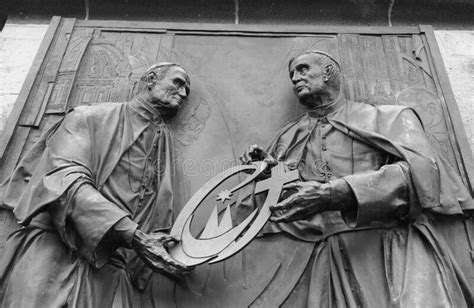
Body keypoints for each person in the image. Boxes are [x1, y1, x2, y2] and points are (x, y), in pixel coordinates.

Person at [240, 51, 474, 307]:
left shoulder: (388, 118)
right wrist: (267, 175)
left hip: (394, 250)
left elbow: (425, 176)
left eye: (303, 69)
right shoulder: (288, 138)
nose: (296, 78)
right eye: (292, 74)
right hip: (331, 259)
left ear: (328, 72)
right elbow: (283, 207)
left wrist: (336, 193)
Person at [0, 62, 193, 307]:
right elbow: (63, 179)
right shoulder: (88, 117)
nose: (184, 93)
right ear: (151, 79)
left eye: (187, 89)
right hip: (57, 254)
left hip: (113, 271)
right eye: (178, 82)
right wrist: (133, 235)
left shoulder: (163, 144)